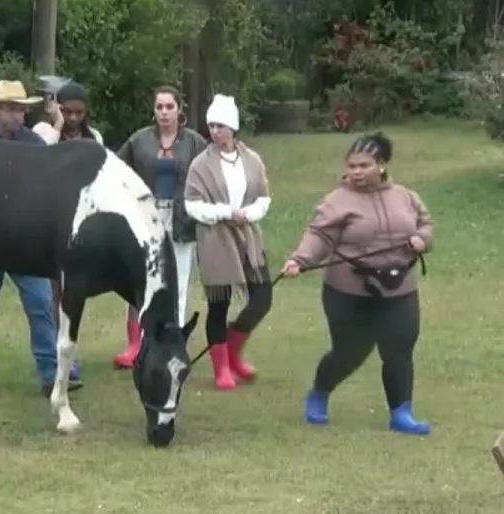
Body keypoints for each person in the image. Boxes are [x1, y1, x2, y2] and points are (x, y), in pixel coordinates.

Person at [281, 132, 433, 435]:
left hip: (400, 288)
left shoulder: (406, 196)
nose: (356, 172)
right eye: (351, 166)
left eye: (364, 165)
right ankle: (319, 393)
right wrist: (300, 259)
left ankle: (401, 414)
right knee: (350, 351)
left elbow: (425, 224)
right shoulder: (337, 201)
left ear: (381, 165)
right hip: (349, 291)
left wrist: (421, 239)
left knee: (399, 348)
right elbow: (319, 235)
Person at [0, 80, 82, 396]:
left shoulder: (35, 145)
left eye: (21, 109)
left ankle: (49, 371)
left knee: (40, 303)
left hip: (25, 242)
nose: (18, 115)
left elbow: (48, 189)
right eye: (12, 109)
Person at [112, 85, 209, 369]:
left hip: (181, 219)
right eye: (159, 107)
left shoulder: (194, 143)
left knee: (177, 282)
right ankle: (136, 344)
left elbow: (209, 173)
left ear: (180, 110)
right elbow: (115, 169)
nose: (164, 113)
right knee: (140, 281)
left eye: (170, 107)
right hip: (146, 218)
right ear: (154, 111)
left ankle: (172, 343)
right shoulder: (139, 140)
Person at [184, 94, 274, 390]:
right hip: (215, 239)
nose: (215, 131)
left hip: (248, 235)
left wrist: (249, 213)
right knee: (218, 303)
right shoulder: (201, 164)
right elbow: (192, 204)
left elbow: (263, 196)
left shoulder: (252, 160)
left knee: (262, 297)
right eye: (211, 125)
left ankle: (234, 347)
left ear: (233, 127)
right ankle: (221, 367)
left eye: (221, 125)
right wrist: (224, 212)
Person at [31, 81, 102, 384]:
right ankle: (55, 353)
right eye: (66, 111)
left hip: (80, 219)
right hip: (47, 218)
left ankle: (68, 350)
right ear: (56, 108)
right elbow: (39, 163)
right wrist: (57, 127)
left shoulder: (93, 137)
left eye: (78, 113)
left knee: (71, 290)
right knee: (52, 291)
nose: (73, 118)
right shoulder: (42, 133)